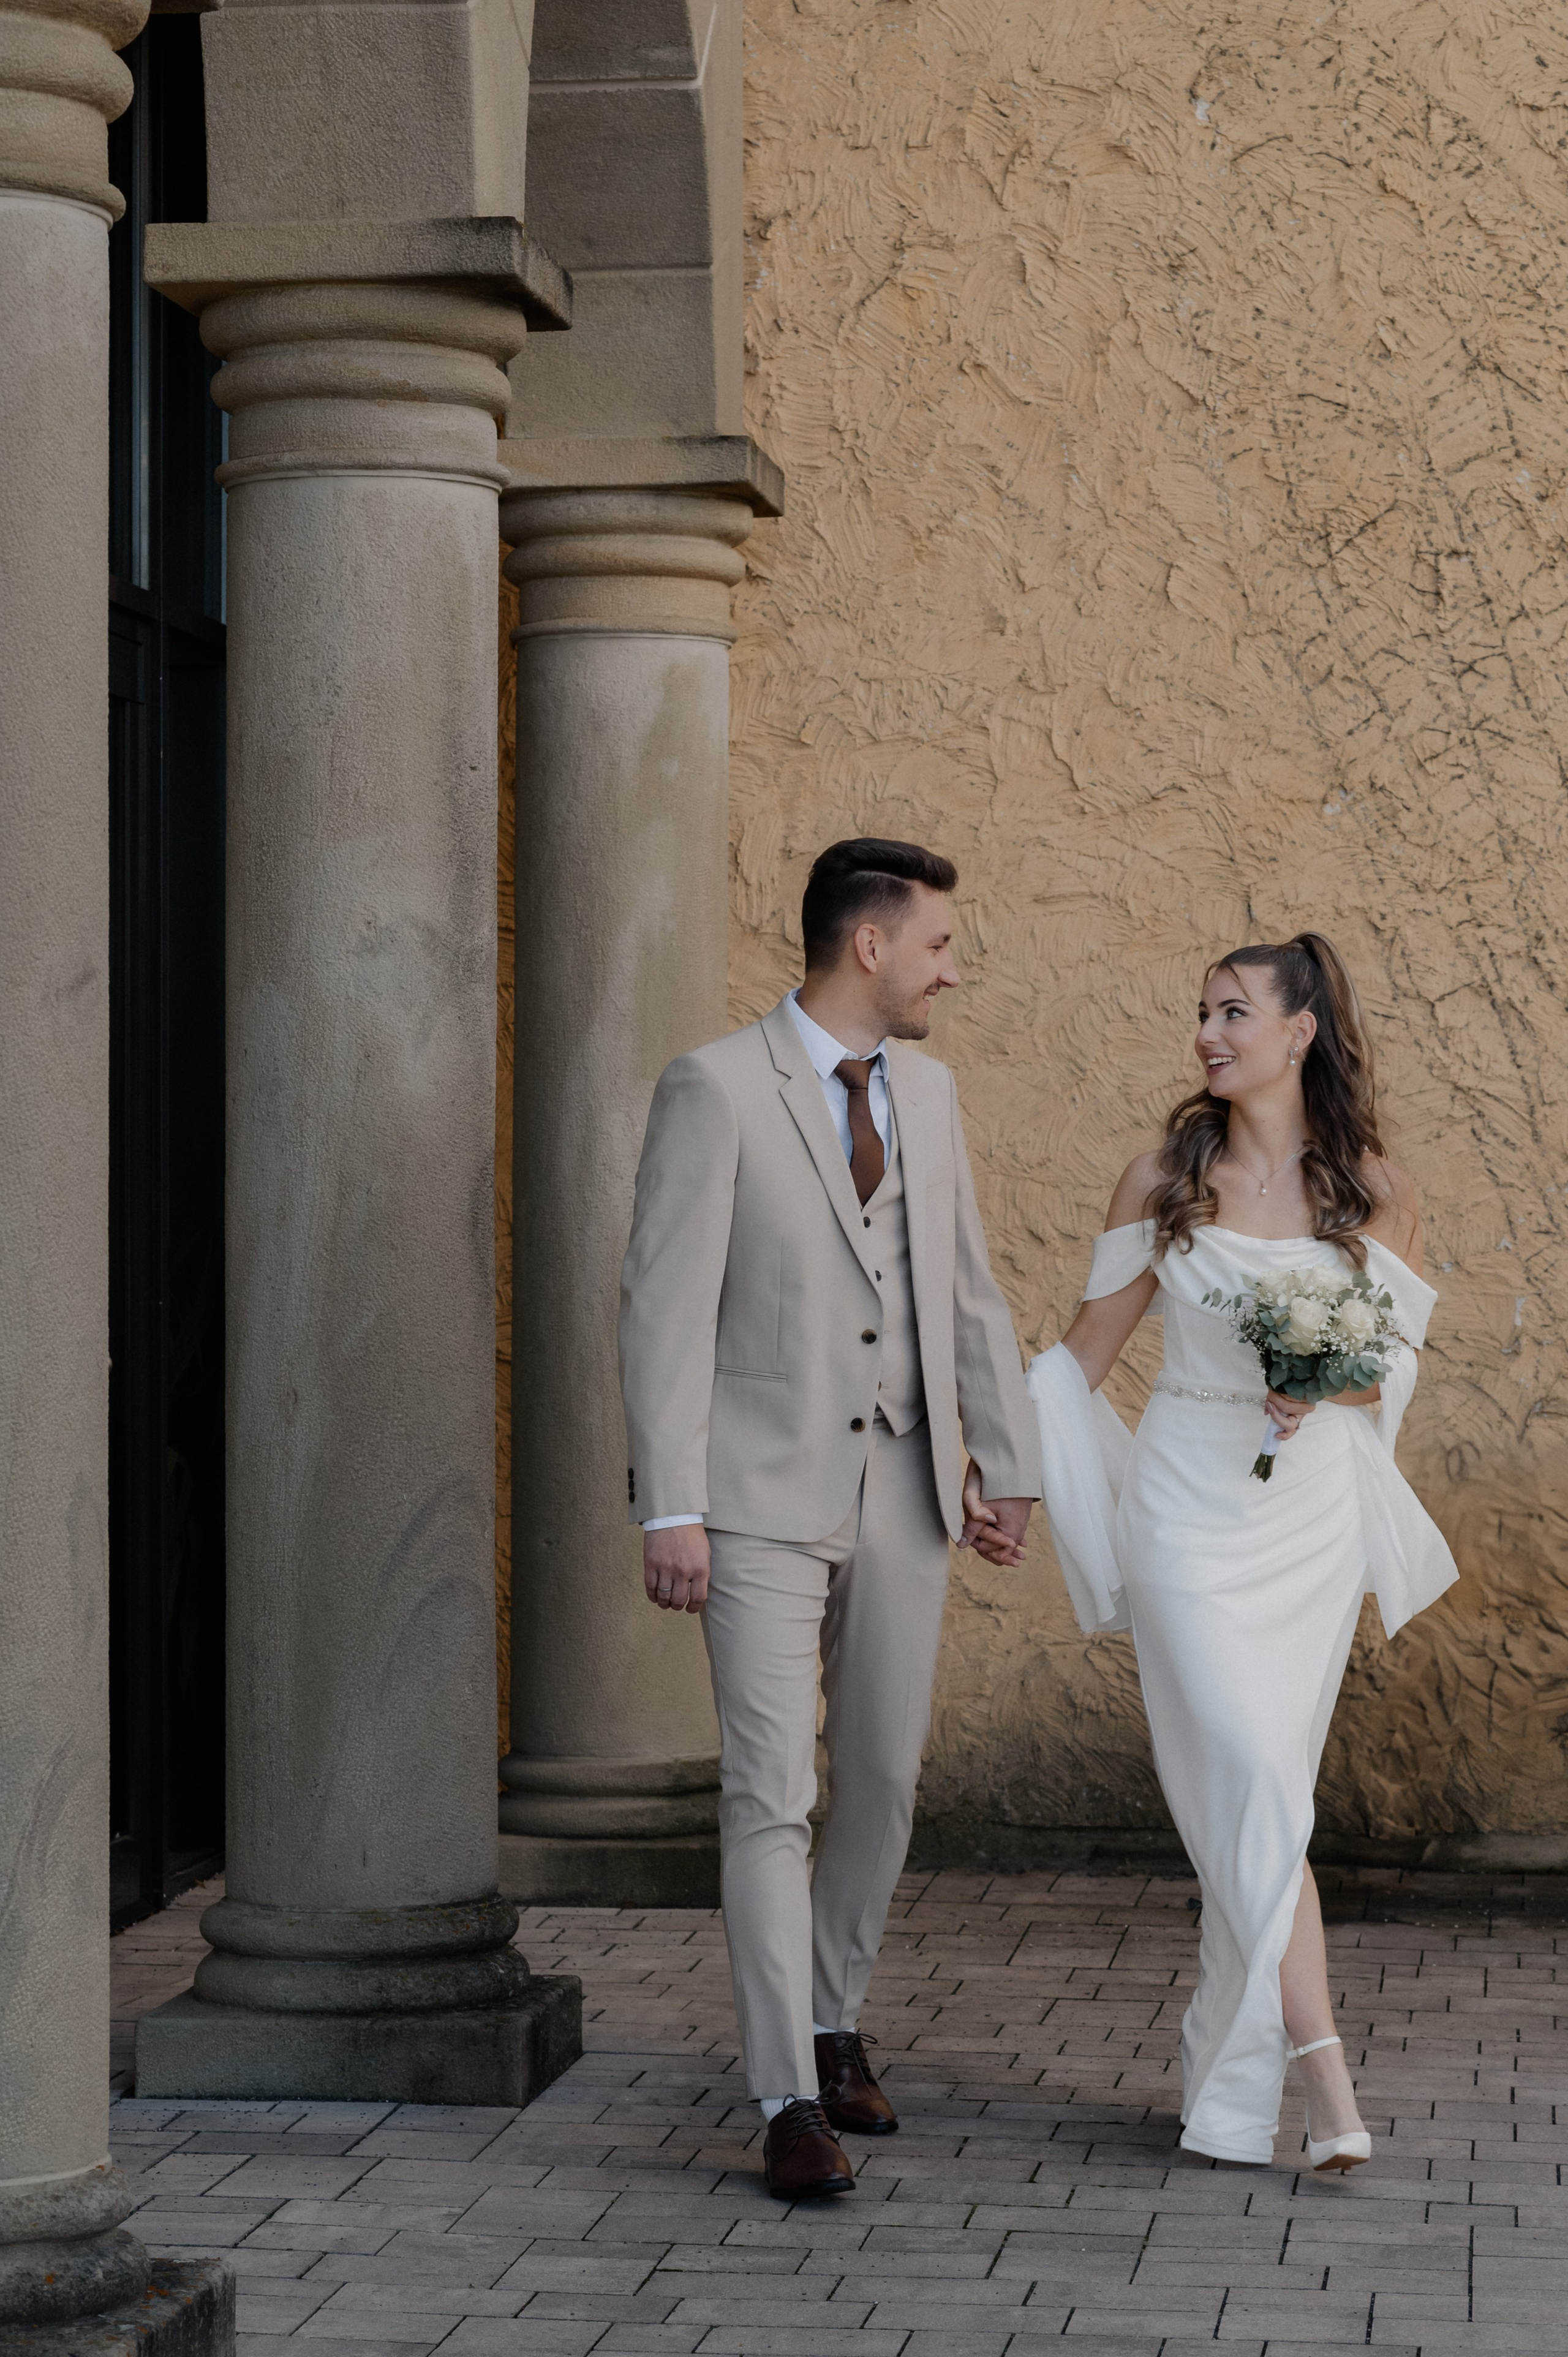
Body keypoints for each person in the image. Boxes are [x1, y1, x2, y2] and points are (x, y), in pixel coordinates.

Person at [977, 933, 1457, 2171]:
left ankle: (1224, 2096)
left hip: (1304, 1523)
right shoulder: (1159, 1178)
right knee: (1249, 1775)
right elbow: (1080, 1355)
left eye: (1233, 1011)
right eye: (1200, 1011)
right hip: (1184, 1503)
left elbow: (1390, 1364)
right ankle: (1327, 2081)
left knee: (1264, 1799)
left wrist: (1331, 1380)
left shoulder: (1370, 1189)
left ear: (1299, 1031)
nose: (1207, 1032)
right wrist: (1007, 1470)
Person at [620, 837, 1042, 2197]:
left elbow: (961, 1286)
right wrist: (669, 1502)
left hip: (906, 1492)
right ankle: (785, 2094)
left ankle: (831, 2011)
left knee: (881, 1779)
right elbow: (662, 1307)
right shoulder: (715, 1086)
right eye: (937, 944)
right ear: (868, 944)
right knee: (768, 1791)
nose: (952, 968)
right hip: (749, 1501)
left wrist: (1005, 1460)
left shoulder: (928, 1089)